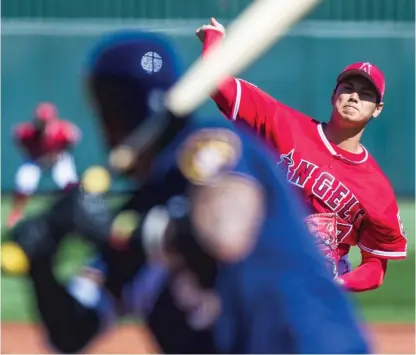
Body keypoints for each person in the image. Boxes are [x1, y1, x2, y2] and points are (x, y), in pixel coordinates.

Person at [2, 30, 370, 354]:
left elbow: (224, 234)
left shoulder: (211, 147)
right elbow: (71, 334)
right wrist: (42, 268)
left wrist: (111, 230)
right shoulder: (135, 215)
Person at [196, 17, 407, 292]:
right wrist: (214, 38)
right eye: (348, 89)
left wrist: (337, 283)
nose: (354, 97)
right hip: (259, 261)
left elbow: (376, 266)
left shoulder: (378, 192)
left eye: (366, 94)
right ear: (334, 96)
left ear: (377, 109)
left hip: (316, 285)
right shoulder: (282, 123)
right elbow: (219, 85)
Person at [7, 102, 81, 228]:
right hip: (36, 159)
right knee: (24, 181)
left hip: (58, 159)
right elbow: (17, 136)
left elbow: (74, 138)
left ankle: (77, 211)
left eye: (46, 121)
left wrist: (58, 154)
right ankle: (16, 213)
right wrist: (35, 154)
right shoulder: (28, 132)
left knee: (69, 182)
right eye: (41, 121)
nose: (43, 124)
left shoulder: (63, 130)